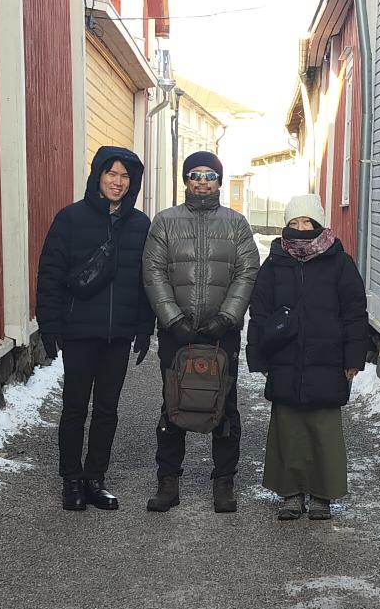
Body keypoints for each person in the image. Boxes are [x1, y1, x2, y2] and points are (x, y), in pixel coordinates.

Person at [141, 150, 260, 513]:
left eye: (210, 175)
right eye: (196, 174)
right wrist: (172, 319)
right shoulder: (164, 222)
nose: (203, 181)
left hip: (220, 332)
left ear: (220, 182)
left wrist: (227, 317)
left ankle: (224, 481)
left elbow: (247, 271)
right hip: (177, 332)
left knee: (224, 405)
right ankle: (168, 481)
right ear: (186, 180)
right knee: (174, 401)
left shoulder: (236, 224)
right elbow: (153, 271)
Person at [37, 147, 154, 512]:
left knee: (107, 409)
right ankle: (71, 478)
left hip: (117, 334)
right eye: (111, 173)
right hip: (78, 331)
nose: (117, 182)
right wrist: (49, 324)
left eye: (124, 176)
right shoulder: (71, 218)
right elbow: (50, 273)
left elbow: (145, 280)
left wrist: (143, 327)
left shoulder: (139, 225)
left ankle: (95, 478)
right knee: (75, 407)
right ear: (98, 176)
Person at [246, 194, 368, 521]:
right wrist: (259, 356)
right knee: (288, 427)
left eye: (307, 223)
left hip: (327, 359)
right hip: (284, 358)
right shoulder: (275, 263)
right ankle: (291, 492)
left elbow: (355, 312)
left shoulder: (339, 262)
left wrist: (353, 356)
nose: (301, 228)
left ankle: (322, 495)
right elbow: (259, 310)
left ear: (318, 225)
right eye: (295, 223)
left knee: (323, 428)